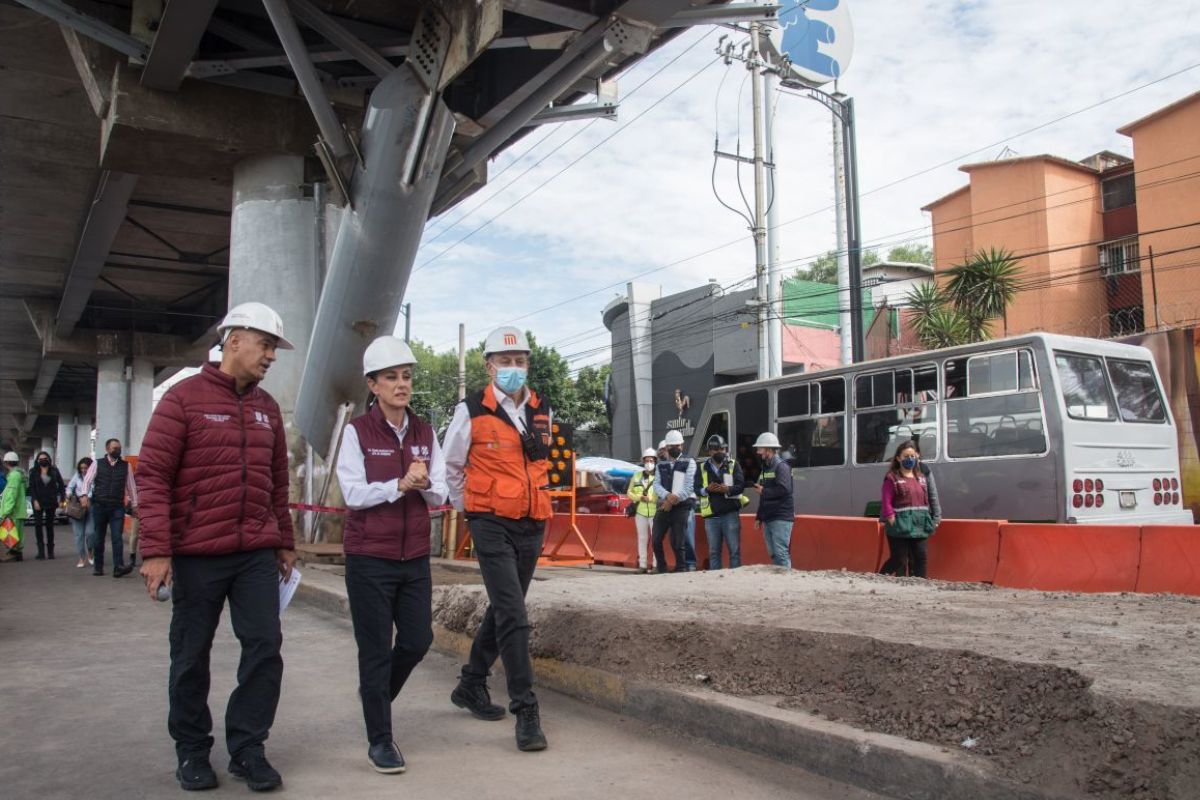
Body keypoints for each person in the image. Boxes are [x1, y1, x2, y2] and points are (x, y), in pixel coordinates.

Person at [136, 301, 297, 792]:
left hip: (254, 554)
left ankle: (248, 748)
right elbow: (154, 477)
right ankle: (192, 751)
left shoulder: (268, 408)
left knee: (265, 647)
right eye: (265, 345)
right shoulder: (183, 399)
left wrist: (284, 542)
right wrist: (157, 551)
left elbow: (277, 484)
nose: (271, 356)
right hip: (197, 553)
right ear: (234, 340)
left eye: (274, 348)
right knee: (190, 655)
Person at [336, 336, 448, 774]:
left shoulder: (424, 432)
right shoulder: (357, 433)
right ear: (373, 385)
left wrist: (423, 485)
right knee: (375, 649)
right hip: (369, 558)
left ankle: (374, 695)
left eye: (406, 376)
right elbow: (353, 493)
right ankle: (380, 739)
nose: (401, 385)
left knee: (418, 640)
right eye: (391, 377)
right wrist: (398, 485)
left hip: (414, 557)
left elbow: (441, 491)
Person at [443, 326, 551, 752]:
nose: (513, 368)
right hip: (489, 520)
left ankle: (471, 683)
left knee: (505, 609)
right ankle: (525, 709)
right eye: (505, 362)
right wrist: (470, 509)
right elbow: (451, 466)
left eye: (520, 361)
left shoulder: (543, 409)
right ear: (489, 366)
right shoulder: (470, 410)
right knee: (514, 613)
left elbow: (539, 465)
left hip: (532, 521)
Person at [80, 438, 138, 577]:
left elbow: (131, 487)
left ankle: (118, 567)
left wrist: (135, 505)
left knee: (117, 537)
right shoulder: (97, 464)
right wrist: (84, 495)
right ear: (107, 449)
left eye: (118, 448)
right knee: (99, 537)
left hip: (117, 507)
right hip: (99, 505)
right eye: (114, 448)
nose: (117, 450)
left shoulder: (126, 466)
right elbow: (87, 480)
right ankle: (98, 567)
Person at [880, 442, 938, 578]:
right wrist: (891, 518)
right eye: (906, 456)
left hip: (919, 524)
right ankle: (879, 578)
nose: (910, 459)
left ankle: (920, 585)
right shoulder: (892, 478)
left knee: (921, 557)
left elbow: (931, 498)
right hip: (900, 525)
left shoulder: (922, 477)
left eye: (913, 456)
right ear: (898, 458)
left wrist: (935, 519)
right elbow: (886, 500)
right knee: (899, 559)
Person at [696, 434, 746, 570]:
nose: (720, 452)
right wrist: (707, 489)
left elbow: (741, 486)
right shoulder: (701, 468)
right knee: (713, 552)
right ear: (710, 451)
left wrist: (727, 489)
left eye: (722, 449)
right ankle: (715, 582)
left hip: (730, 514)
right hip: (711, 517)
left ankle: (735, 582)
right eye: (716, 449)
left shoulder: (733, 464)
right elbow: (696, 489)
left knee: (734, 552)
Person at [652, 429, 696, 573]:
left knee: (678, 541)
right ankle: (662, 568)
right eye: (671, 446)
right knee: (656, 539)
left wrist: (672, 501)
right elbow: (656, 485)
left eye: (678, 446)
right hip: (664, 504)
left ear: (682, 446)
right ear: (667, 447)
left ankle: (681, 568)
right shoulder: (660, 465)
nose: (675, 449)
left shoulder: (689, 462)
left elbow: (689, 487)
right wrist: (666, 496)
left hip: (682, 506)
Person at [752, 432, 794, 568]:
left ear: (769, 450)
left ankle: (787, 583)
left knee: (781, 553)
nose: (758, 452)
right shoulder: (766, 468)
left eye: (760, 449)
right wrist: (759, 517)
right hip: (769, 517)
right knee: (774, 554)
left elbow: (784, 489)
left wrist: (764, 491)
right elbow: (763, 496)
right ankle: (780, 583)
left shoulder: (782, 467)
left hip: (781, 517)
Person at [28, 450, 65, 560]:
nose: (43, 461)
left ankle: (50, 552)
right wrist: (34, 501)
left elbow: (61, 485)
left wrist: (62, 499)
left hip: (51, 501)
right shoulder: (33, 472)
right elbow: (32, 488)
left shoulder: (54, 471)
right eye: (41, 459)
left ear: (49, 459)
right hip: (38, 501)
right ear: (37, 461)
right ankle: (41, 552)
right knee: (38, 525)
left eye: (45, 459)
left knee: (50, 526)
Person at [626, 448, 659, 573]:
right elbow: (629, 492)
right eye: (646, 460)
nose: (648, 463)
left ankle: (656, 565)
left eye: (651, 460)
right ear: (643, 461)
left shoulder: (658, 476)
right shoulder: (637, 475)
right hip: (640, 512)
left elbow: (660, 492)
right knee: (642, 538)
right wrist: (639, 497)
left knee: (656, 539)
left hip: (655, 512)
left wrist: (650, 498)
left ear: (655, 461)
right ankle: (643, 565)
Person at [65, 457, 95, 568]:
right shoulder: (77, 476)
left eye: (86, 468)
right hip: (77, 507)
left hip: (91, 506)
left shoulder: (95, 477)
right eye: (81, 468)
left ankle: (91, 551)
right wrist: (68, 495)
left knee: (90, 532)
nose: (83, 470)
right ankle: (82, 557)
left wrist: (88, 498)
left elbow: (95, 490)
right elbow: (69, 488)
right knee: (79, 535)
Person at [1, 452, 27, 562]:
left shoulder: (14, 476)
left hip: (14, 511)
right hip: (18, 510)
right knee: (16, 532)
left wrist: (6, 511)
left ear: (6, 463)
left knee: (11, 532)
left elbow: (11, 494)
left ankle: (13, 553)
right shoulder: (19, 474)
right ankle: (16, 553)